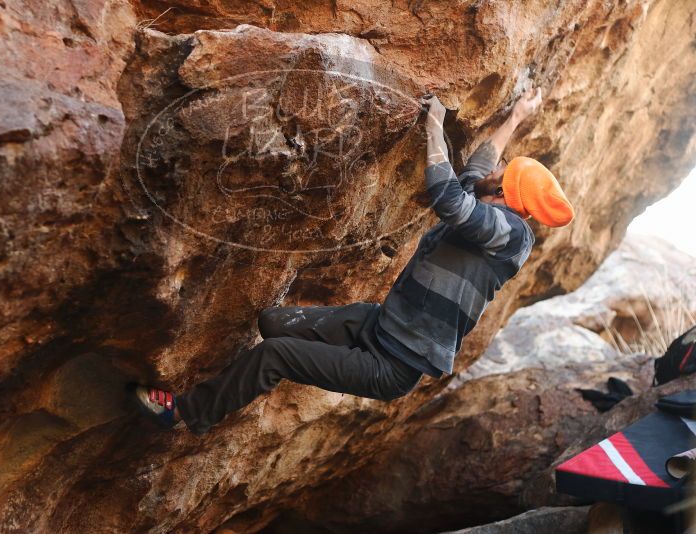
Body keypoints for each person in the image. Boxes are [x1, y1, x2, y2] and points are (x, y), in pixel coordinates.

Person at [133, 84, 575, 434]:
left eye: (502, 175)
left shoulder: (513, 236)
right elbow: (477, 171)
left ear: (505, 196)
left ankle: (189, 414)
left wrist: (433, 130)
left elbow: (448, 198)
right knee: (272, 323)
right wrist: (515, 116)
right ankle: (246, 385)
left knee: (275, 355)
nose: (495, 169)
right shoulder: (493, 206)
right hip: (378, 325)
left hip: (393, 364)